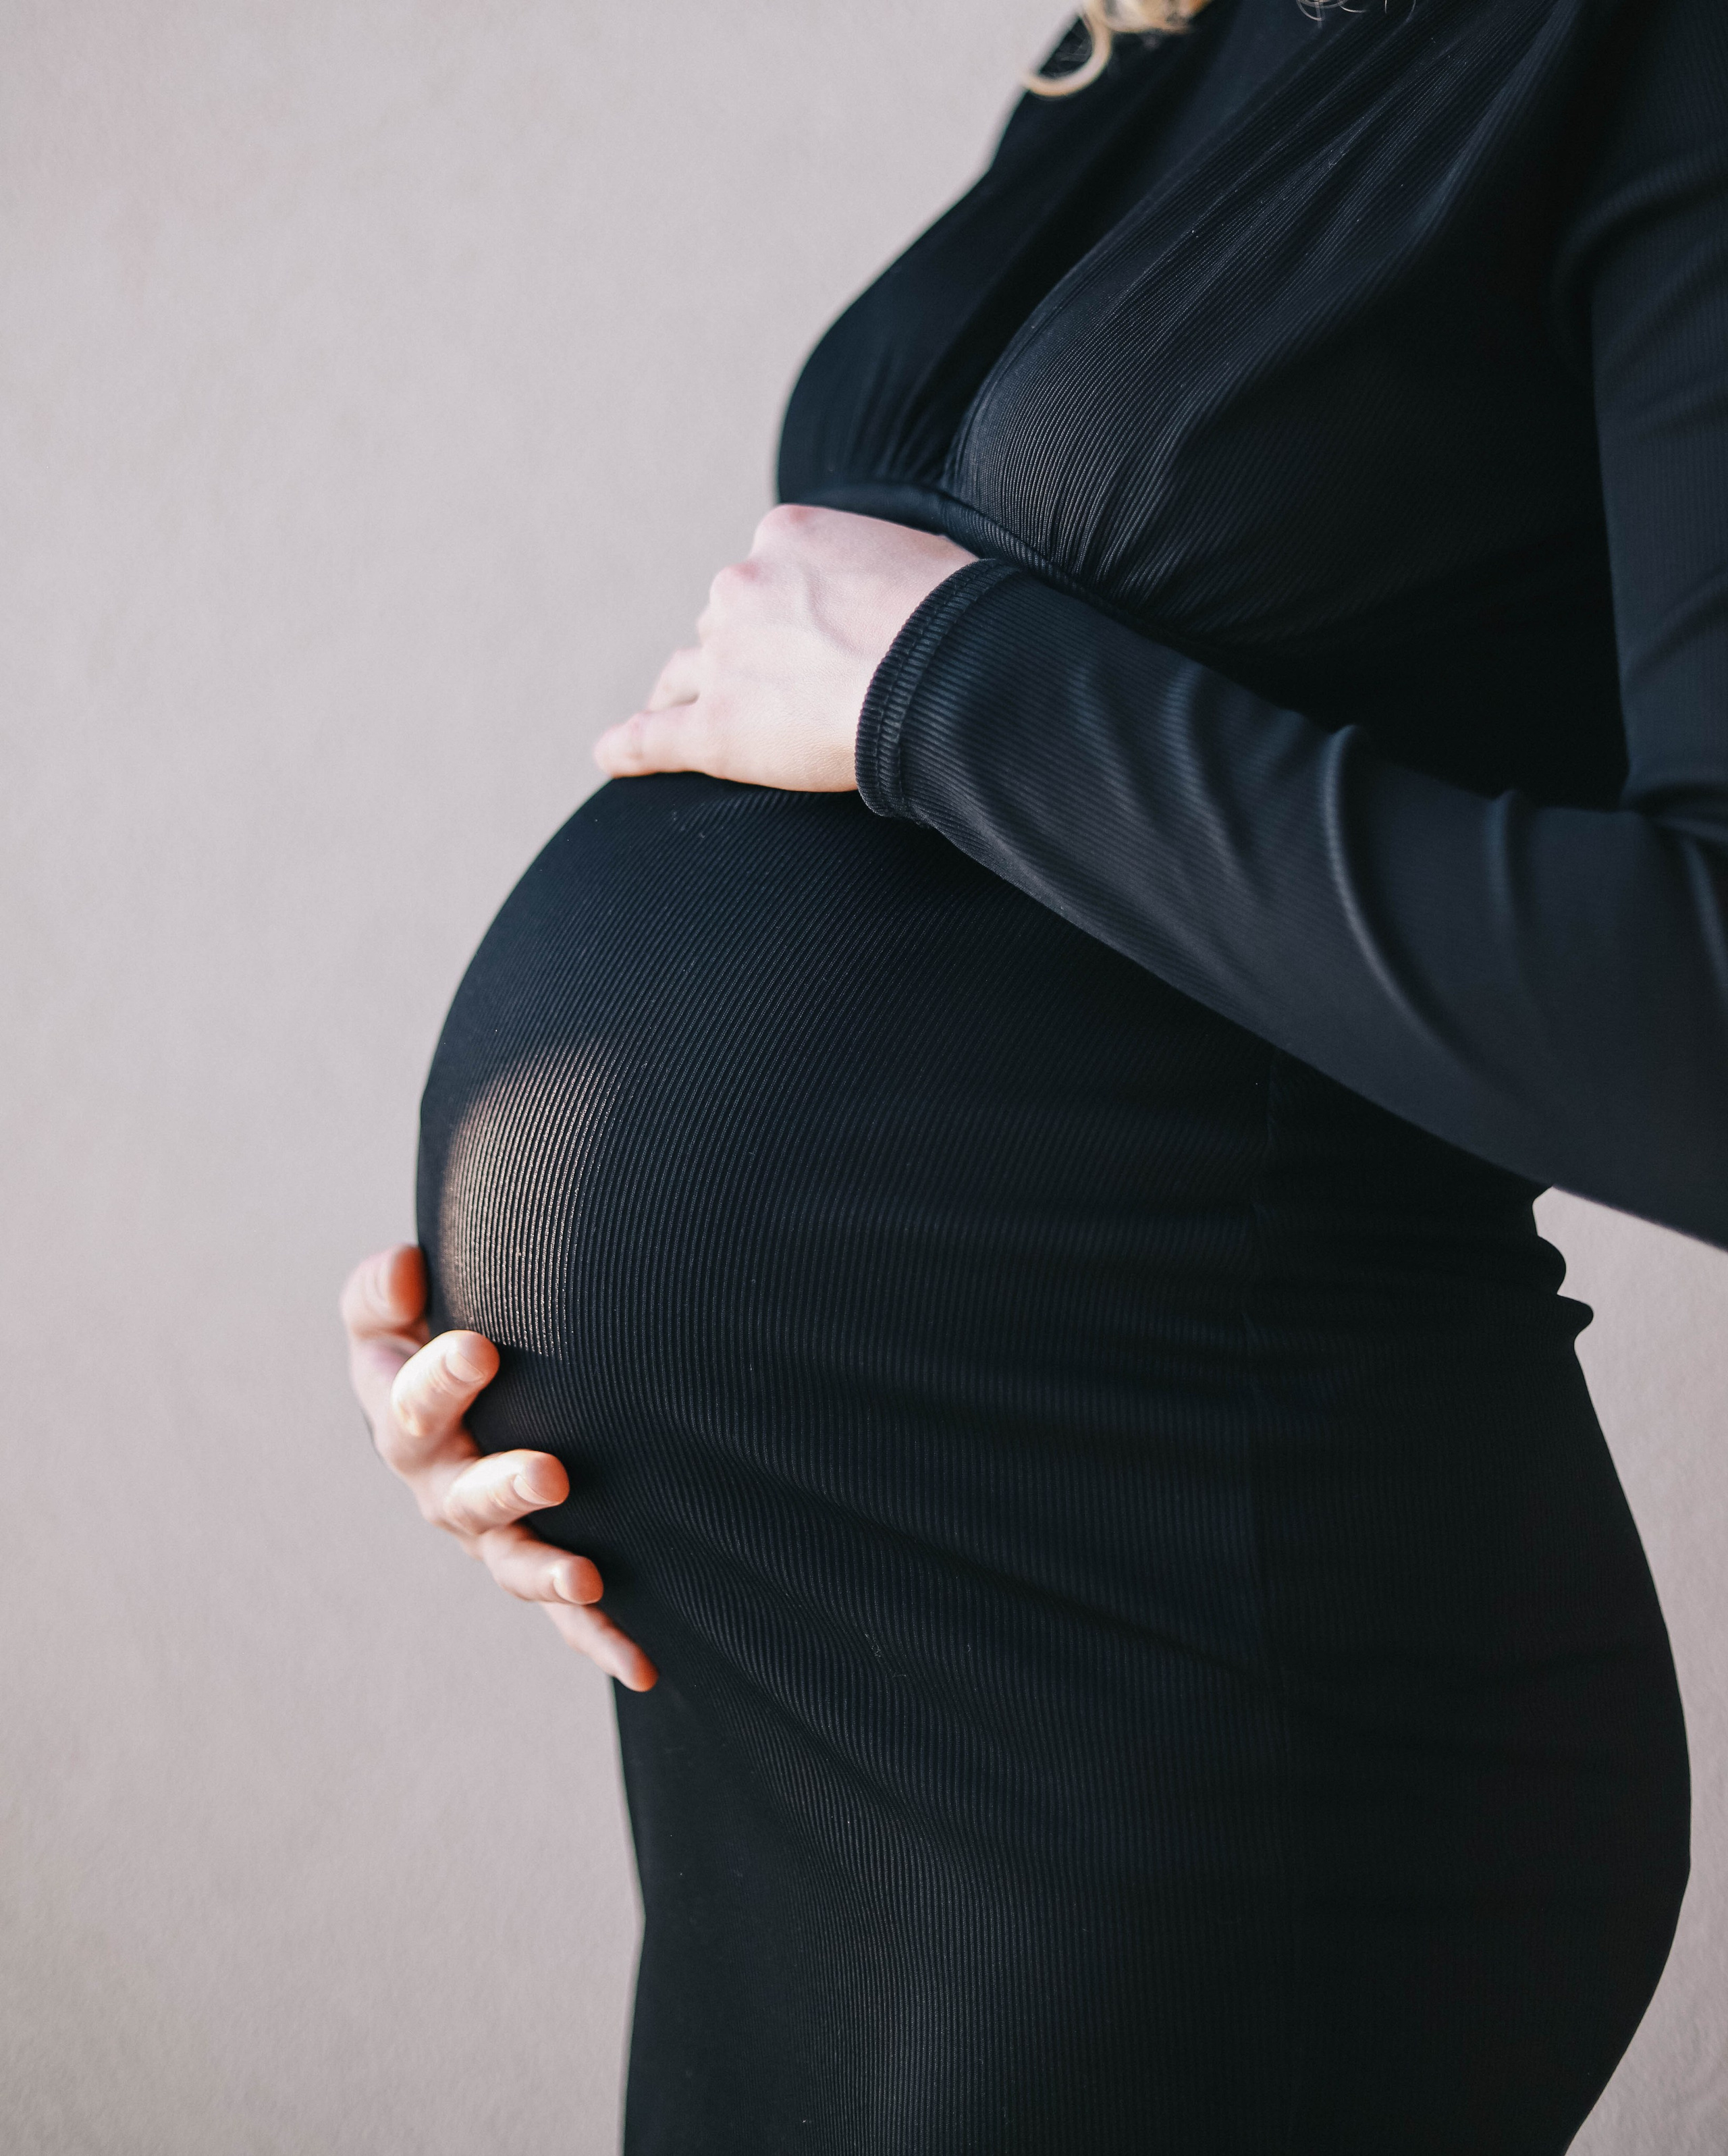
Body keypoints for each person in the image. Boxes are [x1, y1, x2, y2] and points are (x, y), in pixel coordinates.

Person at [344, 1, 1728, 2147]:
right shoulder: (1139, 36)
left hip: (1198, 1697)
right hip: (813, 1699)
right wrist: (520, 1345)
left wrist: (946, 680)